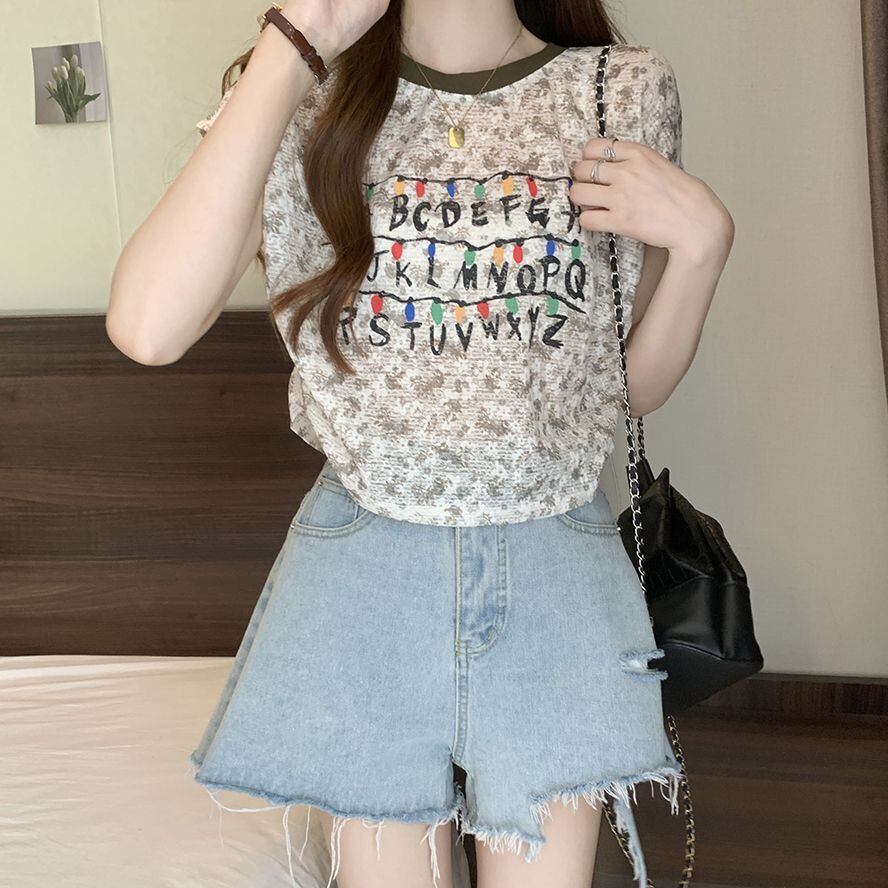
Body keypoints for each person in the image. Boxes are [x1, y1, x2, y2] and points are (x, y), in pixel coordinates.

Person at [106, 1, 733, 886]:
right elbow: (148, 326)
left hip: (554, 562)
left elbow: (624, 386)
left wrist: (704, 246)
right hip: (365, 569)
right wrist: (295, 41)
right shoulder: (296, 94)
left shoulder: (618, 90)